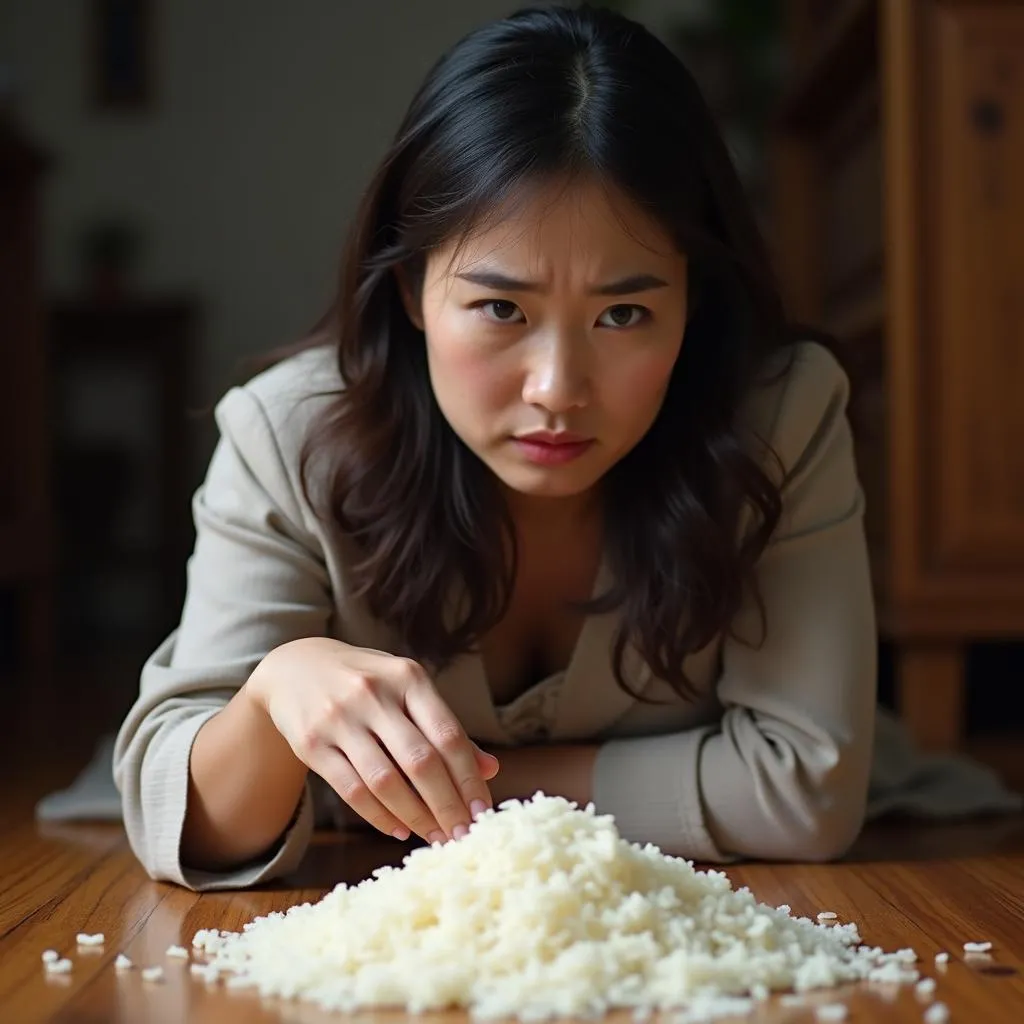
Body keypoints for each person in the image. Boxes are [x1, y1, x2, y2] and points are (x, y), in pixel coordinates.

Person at [114, 2, 876, 890]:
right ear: (409, 289)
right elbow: (183, 816)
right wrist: (276, 690)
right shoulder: (285, 434)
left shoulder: (779, 414)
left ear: (692, 301)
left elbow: (808, 793)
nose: (557, 387)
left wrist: (396, 789)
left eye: (624, 313)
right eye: (501, 309)